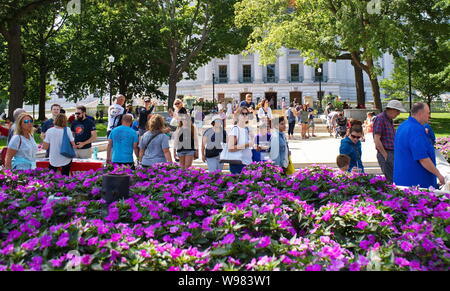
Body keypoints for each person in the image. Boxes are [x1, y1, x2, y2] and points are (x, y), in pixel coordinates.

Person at [394, 102, 445, 188]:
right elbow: (423, 158)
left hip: (402, 179)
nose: (429, 116)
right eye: (428, 113)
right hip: (417, 183)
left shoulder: (402, 126)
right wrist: (439, 175)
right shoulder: (416, 129)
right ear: (420, 113)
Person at [373, 100, 406, 183]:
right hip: (386, 152)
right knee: (391, 180)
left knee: (396, 179)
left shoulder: (389, 119)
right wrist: (385, 155)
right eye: (397, 111)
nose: (398, 114)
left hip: (391, 152)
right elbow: (376, 139)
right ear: (391, 109)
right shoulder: (380, 118)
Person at [227, 107, 253, 174]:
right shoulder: (235, 129)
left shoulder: (246, 129)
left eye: (246, 113)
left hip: (247, 163)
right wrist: (247, 145)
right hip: (238, 165)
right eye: (242, 113)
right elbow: (230, 148)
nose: (245, 115)